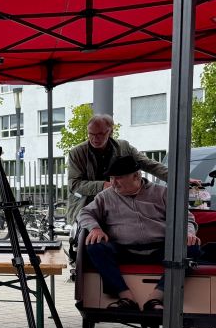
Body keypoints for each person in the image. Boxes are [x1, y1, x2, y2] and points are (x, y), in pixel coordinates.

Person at [78, 155, 199, 314]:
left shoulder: (162, 193)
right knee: (95, 247)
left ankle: (156, 298)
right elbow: (84, 213)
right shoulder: (106, 196)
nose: (113, 183)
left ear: (136, 176)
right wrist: (94, 228)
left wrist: (188, 233)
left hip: (160, 249)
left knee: (192, 248)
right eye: (111, 178)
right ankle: (125, 297)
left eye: (118, 178)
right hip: (123, 250)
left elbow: (186, 218)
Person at [66, 114, 169, 275]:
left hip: (119, 201)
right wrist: (104, 186)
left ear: (110, 131)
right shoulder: (77, 152)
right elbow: (74, 185)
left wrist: (179, 179)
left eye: (100, 134)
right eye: (91, 134)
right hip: (88, 203)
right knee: (87, 239)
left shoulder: (124, 147)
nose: (95, 138)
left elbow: (149, 164)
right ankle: (87, 273)